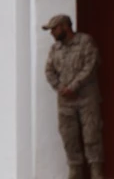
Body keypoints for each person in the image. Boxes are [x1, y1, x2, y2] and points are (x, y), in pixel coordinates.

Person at [42, 14, 104, 179]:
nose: (52, 33)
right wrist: (60, 88)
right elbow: (49, 71)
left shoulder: (85, 42)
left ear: (64, 27)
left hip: (86, 98)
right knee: (68, 135)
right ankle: (75, 170)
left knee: (92, 133)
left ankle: (95, 170)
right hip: (65, 101)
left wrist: (73, 86)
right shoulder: (55, 49)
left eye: (54, 29)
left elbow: (90, 66)